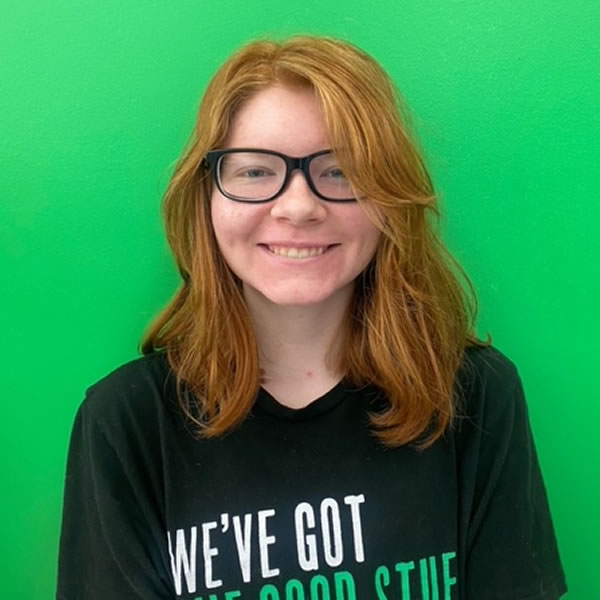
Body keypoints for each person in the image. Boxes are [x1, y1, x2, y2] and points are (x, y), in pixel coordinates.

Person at [56, 35, 567, 600]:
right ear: (207, 198)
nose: (298, 207)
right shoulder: (124, 423)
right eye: (255, 172)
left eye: (341, 171)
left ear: (390, 199)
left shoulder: (476, 397)